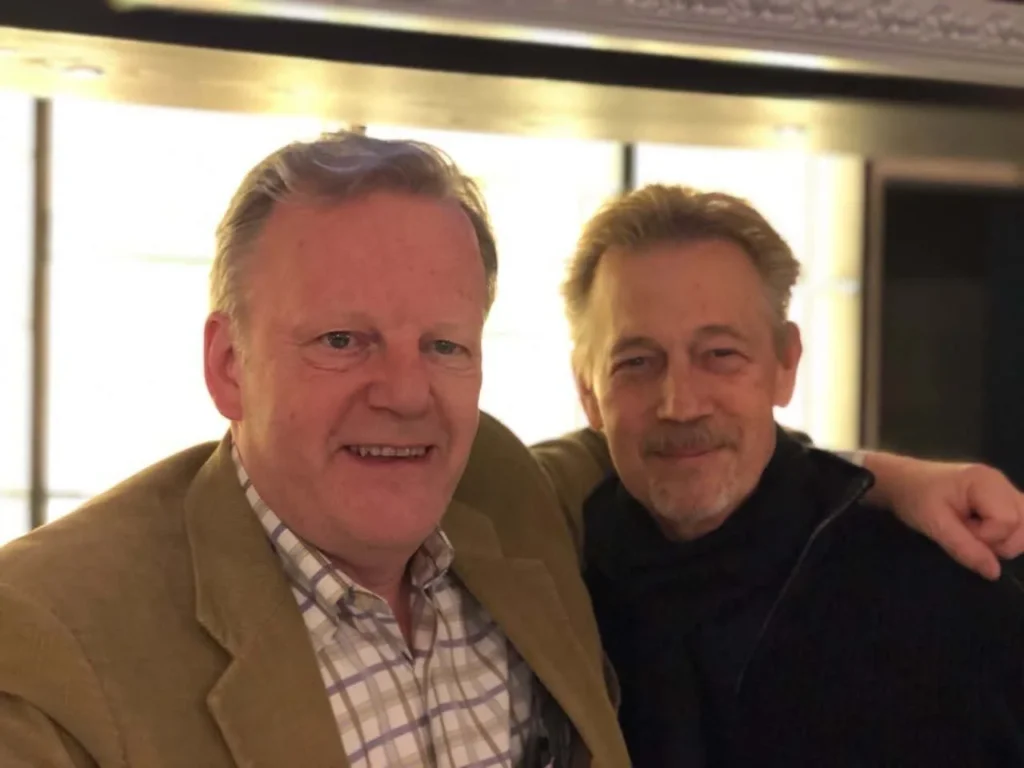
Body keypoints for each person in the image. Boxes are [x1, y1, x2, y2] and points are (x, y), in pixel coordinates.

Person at [0, 132, 1019, 768]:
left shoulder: (498, 490)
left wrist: (884, 479)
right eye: (342, 340)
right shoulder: (48, 639)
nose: (404, 393)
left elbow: (681, 453)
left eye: (444, 345)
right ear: (228, 365)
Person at [538, 183, 1024, 766]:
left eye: (720, 354)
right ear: (588, 391)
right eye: (636, 362)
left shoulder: (937, 593)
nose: (680, 404)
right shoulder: (552, 603)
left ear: (786, 364)